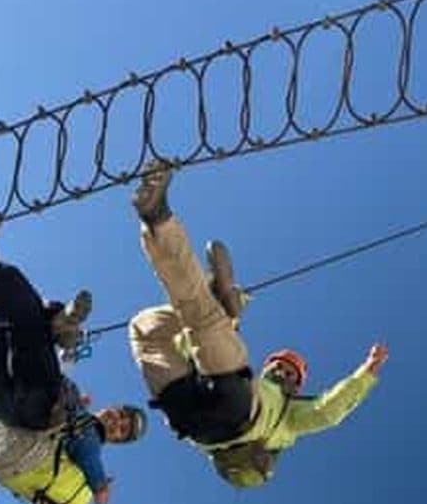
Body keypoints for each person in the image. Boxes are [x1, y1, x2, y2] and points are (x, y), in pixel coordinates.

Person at [127, 160, 388, 487]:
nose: (283, 372)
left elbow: (328, 410)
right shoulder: (257, 387)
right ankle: (158, 222)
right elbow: (186, 343)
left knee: (203, 320)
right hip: (202, 411)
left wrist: (366, 374)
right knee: (148, 328)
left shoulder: (289, 418)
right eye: (281, 366)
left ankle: (221, 305)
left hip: (232, 415)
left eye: (290, 372)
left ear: (297, 386)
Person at [0, 210, 147, 504]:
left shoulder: (89, 435)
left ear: (115, 439)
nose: (116, 422)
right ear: (111, 408)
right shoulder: (76, 414)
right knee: (14, 313)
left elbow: (89, 456)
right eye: (121, 415)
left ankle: (56, 324)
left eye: (121, 429)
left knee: (30, 319)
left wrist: (99, 486)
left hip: (31, 403)